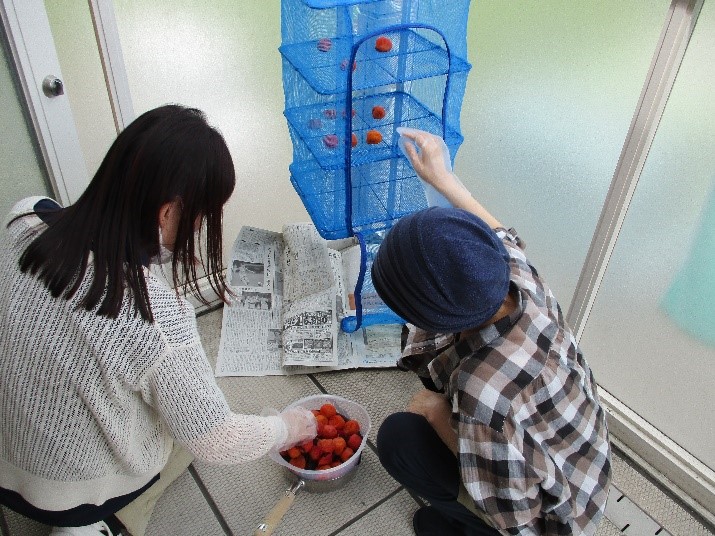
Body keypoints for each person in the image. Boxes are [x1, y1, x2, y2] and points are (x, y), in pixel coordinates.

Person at [0, 105, 316, 536]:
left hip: (6, 452)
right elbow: (217, 439)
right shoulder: (156, 317)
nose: (200, 227)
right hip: (68, 490)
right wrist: (285, 428)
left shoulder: (24, 217)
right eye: (202, 215)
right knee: (186, 435)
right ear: (166, 214)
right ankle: (89, 524)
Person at [371, 129, 611, 535]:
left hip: (553, 518)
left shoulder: (483, 395)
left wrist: (436, 414)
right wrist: (443, 178)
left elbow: (515, 517)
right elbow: (499, 234)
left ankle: (465, 528)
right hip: (585, 463)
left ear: (432, 322)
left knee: (400, 439)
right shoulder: (517, 275)